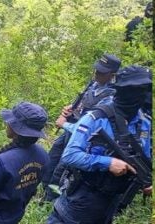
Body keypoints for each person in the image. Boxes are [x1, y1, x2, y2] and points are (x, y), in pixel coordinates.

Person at [23, 65, 152, 224]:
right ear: (120, 90)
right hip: (85, 191)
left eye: (145, 90)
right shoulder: (96, 118)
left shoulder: (144, 123)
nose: (140, 96)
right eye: (135, 90)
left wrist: (148, 181)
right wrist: (107, 163)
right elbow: (71, 155)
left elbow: (145, 157)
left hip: (114, 196)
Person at [41, 54, 121, 201]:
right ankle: (42, 189)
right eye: (96, 70)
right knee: (52, 157)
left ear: (112, 75)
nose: (96, 74)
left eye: (101, 72)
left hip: (82, 135)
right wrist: (72, 108)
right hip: (70, 128)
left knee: (63, 166)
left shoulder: (112, 97)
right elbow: (84, 104)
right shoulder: (94, 84)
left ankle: (50, 200)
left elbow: (91, 126)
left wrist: (63, 124)